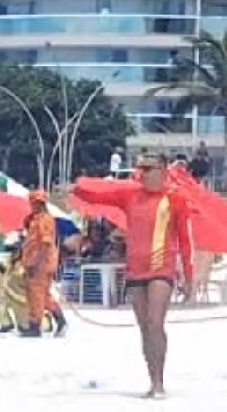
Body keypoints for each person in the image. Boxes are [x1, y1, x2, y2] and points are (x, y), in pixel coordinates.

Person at [73, 153, 196, 398]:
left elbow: (185, 239)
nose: (143, 173)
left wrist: (189, 276)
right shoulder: (130, 194)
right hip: (135, 268)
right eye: (141, 169)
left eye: (149, 169)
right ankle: (152, 379)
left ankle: (159, 381)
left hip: (161, 267)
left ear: (163, 171)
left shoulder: (176, 198)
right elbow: (100, 196)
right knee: (144, 328)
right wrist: (77, 188)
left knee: (155, 322)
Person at [20, 191, 69, 337]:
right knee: (41, 295)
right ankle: (59, 321)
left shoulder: (45, 220)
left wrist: (37, 263)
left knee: (37, 295)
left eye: (36, 203)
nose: (34, 206)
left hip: (40, 264)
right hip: (34, 263)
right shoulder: (35, 219)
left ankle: (36, 325)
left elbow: (45, 244)